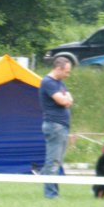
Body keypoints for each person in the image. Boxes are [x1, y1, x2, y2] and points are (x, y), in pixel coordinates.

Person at [39, 56, 73, 199]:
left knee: (57, 161)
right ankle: (51, 194)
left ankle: (45, 180)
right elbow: (63, 100)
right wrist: (66, 100)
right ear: (58, 68)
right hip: (54, 126)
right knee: (53, 161)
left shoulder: (59, 83)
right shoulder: (48, 83)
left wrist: (67, 100)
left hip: (62, 126)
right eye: (66, 71)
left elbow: (69, 99)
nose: (68, 75)